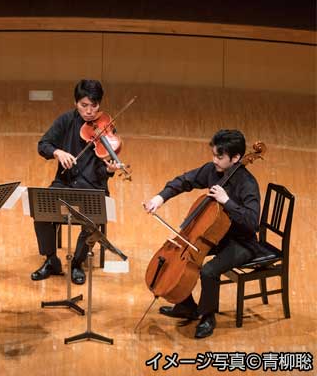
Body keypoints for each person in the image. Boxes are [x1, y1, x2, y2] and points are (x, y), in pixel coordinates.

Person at [143, 129, 260, 339]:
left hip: (242, 243)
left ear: (236, 158)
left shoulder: (248, 184)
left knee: (208, 271)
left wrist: (227, 202)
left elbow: (252, 222)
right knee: (180, 256)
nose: (213, 159)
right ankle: (185, 305)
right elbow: (184, 181)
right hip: (215, 234)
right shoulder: (212, 171)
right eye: (213, 154)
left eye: (219, 156)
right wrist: (159, 198)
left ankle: (207, 316)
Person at [32, 79, 123, 285]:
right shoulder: (66, 121)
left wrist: (109, 170)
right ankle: (51, 260)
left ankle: (77, 263)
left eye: (94, 105)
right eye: (84, 105)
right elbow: (43, 144)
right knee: (41, 210)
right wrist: (57, 151)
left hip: (92, 187)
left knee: (93, 220)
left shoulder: (106, 127)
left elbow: (102, 170)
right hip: (64, 183)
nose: (89, 111)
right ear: (76, 103)